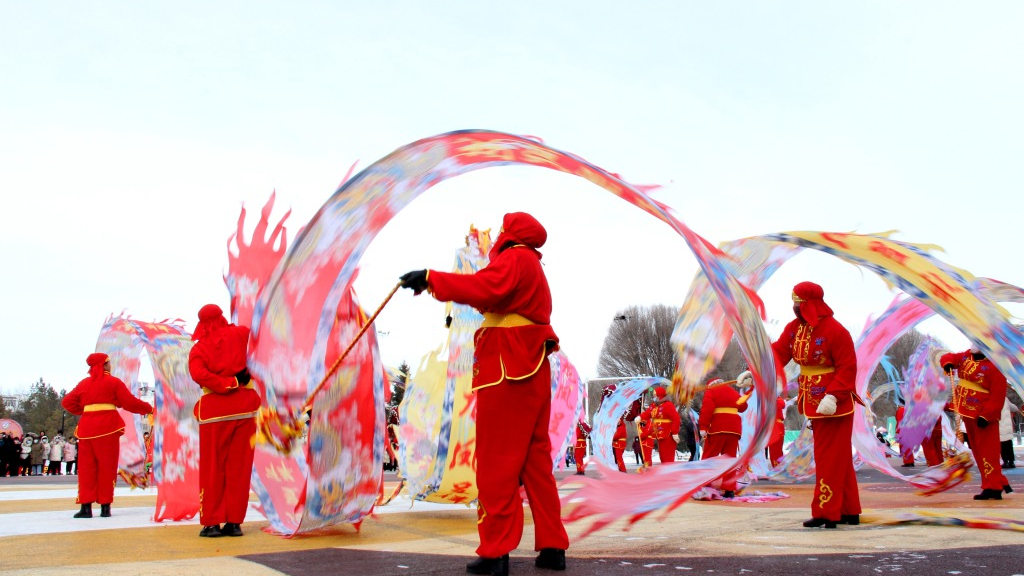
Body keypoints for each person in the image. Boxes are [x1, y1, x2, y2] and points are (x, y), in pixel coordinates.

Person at [400, 212, 569, 575]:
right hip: (531, 367)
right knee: (535, 462)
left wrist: (431, 278)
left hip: (507, 368)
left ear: (507, 235)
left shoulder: (515, 258)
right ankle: (553, 546)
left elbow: (483, 288)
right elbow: (492, 295)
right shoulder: (533, 266)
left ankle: (496, 552)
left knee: (497, 461)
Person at [771, 281, 861, 529]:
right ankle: (849, 511)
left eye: (798, 302)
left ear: (809, 304)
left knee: (827, 458)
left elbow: (848, 367)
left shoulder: (836, 330)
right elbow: (778, 352)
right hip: (811, 399)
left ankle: (826, 512)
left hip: (834, 403)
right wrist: (754, 370)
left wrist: (833, 396)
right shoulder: (793, 329)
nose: (794, 307)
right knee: (837, 457)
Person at [187, 303, 260, 538]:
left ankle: (211, 523)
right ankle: (234, 522)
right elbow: (262, 348)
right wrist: (243, 375)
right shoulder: (241, 333)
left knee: (212, 468)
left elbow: (198, 374)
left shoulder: (199, 349)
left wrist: (227, 383)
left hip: (214, 414)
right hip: (245, 410)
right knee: (239, 468)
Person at [62, 353, 154, 518]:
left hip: (87, 430)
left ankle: (85, 507)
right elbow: (129, 402)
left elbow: (67, 402)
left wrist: (86, 411)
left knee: (86, 469)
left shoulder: (83, 384)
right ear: (104, 365)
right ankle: (105, 507)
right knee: (107, 467)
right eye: (108, 363)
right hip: (107, 429)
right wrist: (149, 409)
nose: (110, 365)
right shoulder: (113, 382)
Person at [941, 348, 1011, 499]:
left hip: (982, 414)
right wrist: (948, 363)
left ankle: (993, 487)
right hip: (966, 411)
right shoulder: (967, 356)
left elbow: (998, 393)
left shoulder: (996, 366)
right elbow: (950, 356)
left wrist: (987, 415)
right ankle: (995, 482)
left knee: (988, 452)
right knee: (978, 452)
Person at [697, 375, 751, 497]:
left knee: (709, 458)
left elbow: (707, 410)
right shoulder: (733, 392)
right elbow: (743, 407)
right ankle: (729, 489)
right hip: (734, 430)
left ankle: (704, 484)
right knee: (729, 460)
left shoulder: (711, 391)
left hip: (717, 428)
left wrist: (703, 427)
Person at [634, 386, 682, 468]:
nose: (654, 397)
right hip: (659, 434)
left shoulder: (668, 405)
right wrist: (640, 417)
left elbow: (676, 418)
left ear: (660, 395)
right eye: (654, 395)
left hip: (668, 435)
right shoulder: (654, 405)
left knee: (668, 457)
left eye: (655, 395)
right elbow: (648, 413)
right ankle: (665, 473)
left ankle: (669, 475)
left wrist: (675, 432)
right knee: (662, 456)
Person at [767, 394, 787, 468]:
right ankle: (779, 468)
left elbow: (782, 404)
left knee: (775, 450)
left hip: (774, 426)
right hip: (776, 426)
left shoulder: (770, 400)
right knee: (776, 450)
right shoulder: (777, 400)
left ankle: (778, 468)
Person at [999, 397, 1020, 469]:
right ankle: (1011, 462)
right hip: (1007, 426)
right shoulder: (1005, 399)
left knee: (1002, 446)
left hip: (999, 426)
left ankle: (1005, 462)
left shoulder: (994, 398)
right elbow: (1014, 408)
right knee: (1009, 445)